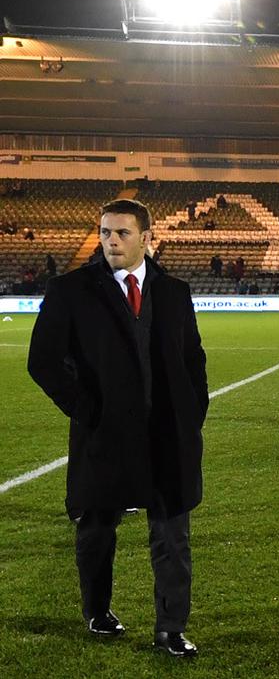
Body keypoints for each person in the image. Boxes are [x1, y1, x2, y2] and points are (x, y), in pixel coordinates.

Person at [27, 199, 207, 658]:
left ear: (146, 238)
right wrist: (86, 410)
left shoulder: (175, 292)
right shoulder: (71, 290)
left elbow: (193, 359)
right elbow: (42, 361)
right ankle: (97, 611)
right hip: (104, 435)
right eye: (105, 232)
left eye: (122, 233)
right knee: (97, 528)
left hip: (166, 436)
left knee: (172, 536)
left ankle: (170, 628)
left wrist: (191, 414)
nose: (111, 241)